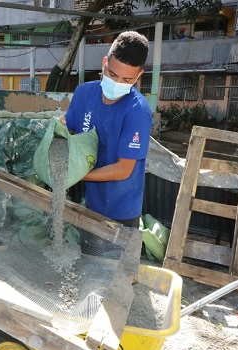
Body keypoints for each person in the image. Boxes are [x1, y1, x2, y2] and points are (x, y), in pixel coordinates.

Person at [63, 31, 152, 251]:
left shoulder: (137, 111)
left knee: (112, 274)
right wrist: (58, 128)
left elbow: (123, 169)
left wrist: (77, 173)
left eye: (126, 80)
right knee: (88, 266)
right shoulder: (84, 93)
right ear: (104, 63)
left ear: (139, 75)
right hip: (92, 205)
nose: (117, 83)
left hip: (121, 213)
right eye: (112, 75)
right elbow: (69, 128)